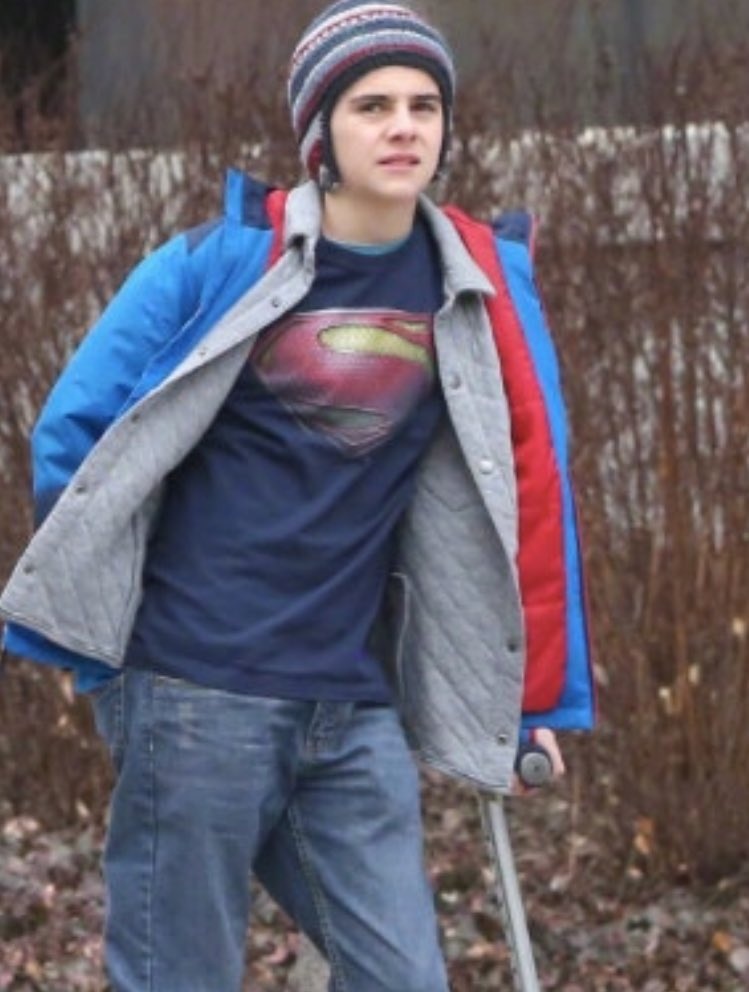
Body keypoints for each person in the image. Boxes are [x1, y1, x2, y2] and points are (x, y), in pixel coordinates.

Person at [0, 2, 594, 990]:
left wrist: (532, 693)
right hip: (195, 688)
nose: (402, 127)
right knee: (178, 974)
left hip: (350, 707)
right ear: (320, 131)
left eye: (422, 105)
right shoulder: (219, 264)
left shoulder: (475, 285)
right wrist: (114, 640)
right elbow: (76, 431)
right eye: (371, 106)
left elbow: (527, 484)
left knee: (403, 976)